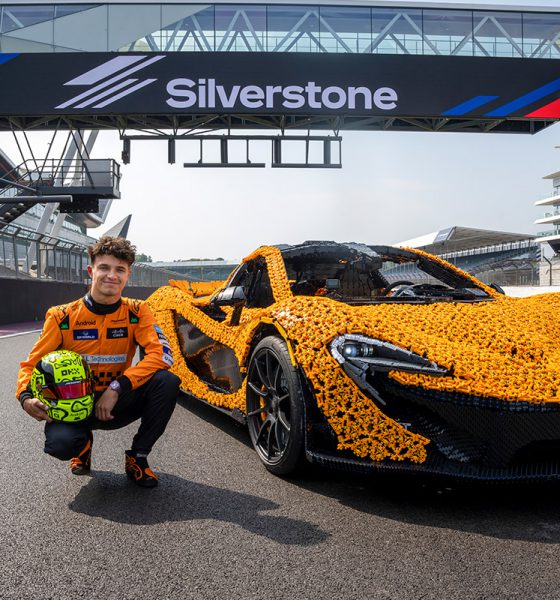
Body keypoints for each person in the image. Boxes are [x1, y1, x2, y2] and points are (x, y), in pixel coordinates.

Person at [16, 236, 180, 488]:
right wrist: (26, 397)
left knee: (166, 381)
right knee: (60, 445)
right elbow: (31, 364)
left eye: (119, 270)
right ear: (91, 270)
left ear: (128, 275)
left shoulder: (138, 311)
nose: (111, 276)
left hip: (117, 402)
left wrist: (118, 387)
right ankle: (81, 446)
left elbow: (161, 356)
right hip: (73, 404)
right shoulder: (61, 315)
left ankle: (138, 457)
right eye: (104, 268)